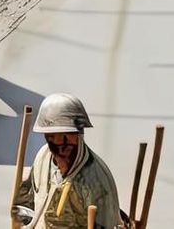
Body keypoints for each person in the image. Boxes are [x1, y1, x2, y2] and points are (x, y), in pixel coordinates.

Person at [12, 93, 123, 229]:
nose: (61, 150)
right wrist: (20, 217)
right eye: (54, 140)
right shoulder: (43, 158)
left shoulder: (97, 180)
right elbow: (26, 202)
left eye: (67, 141)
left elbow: (107, 224)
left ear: (79, 136)